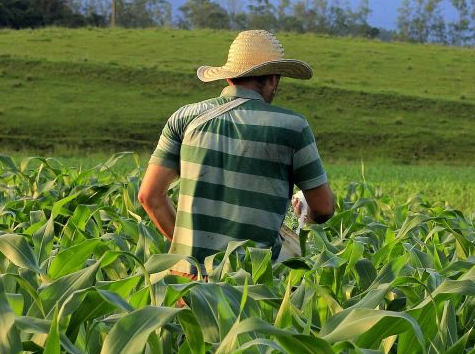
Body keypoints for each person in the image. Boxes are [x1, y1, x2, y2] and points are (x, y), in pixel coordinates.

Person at [138, 29, 336, 277]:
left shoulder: (185, 117)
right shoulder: (293, 126)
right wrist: (303, 212)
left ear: (229, 77)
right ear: (273, 79)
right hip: (251, 284)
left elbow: (149, 196)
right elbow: (324, 208)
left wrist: (191, 254)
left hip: (187, 283)